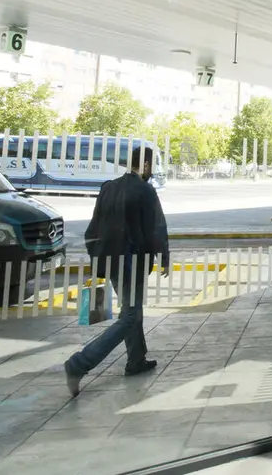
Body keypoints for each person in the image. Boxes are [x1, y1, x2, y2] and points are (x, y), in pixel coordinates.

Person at [64, 146, 170, 397]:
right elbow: (157, 226)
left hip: (110, 260)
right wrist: (164, 256)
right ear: (145, 166)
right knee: (131, 315)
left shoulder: (108, 187)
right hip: (132, 261)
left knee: (131, 310)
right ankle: (79, 364)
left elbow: (93, 229)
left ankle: (136, 360)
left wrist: (98, 260)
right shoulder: (145, 189)